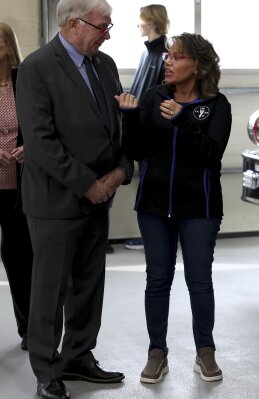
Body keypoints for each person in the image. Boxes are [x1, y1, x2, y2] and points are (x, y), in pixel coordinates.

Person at [15, 0, 133, 397]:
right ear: (72, 23)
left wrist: (119, 172)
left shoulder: (106, 65)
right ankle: (47, 369)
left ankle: (79, 355)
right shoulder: (37, 67)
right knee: (49, 288)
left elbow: (116, 126)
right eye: (103, 26)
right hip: (55, 199)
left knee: (88, 282)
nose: (109, 34)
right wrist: (88, 183)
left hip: (99, 196)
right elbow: (40, 141)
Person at [115, 33, 231, 384]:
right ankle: (156, 352)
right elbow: (138, 150)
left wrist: (184, 121)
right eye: (168, 55)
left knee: (199, 280)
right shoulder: (154, 96)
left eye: (177, 56)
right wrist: (131, 117)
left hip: (200, 206)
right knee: (157, 280)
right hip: (153, 205)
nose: (168, 61)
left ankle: (205, 351)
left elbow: (212, 156)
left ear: (196, 65)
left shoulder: (217, 105)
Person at [125, 4, 169, 251]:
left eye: (141, 20)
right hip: (141, 128)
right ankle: (153, 235)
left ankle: (158, 237)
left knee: (156, 183)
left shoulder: (165, 53)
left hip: (155, 133)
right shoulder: (147, 53)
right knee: (147, 183)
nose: (138, 25)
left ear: (151, 21)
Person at [0, 21, 33, 352]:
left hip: (19, 188)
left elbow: (43, 125)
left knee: (20, 257)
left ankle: (29, 329)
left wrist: (31, 147)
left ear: (9, 46)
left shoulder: (25, 81)